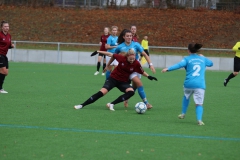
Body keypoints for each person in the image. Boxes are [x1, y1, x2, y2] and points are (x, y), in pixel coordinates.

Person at [74, 49, 157, 111]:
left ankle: (111, 104)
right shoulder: (121, 58)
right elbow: (112, 55)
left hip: (123, 82)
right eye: (130, 59)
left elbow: (141, 71)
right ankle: (82, 105)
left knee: (131, 92)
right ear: (127, 56)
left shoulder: (136, 63)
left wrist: (149, 76)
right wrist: (98, 51)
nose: (132, 61)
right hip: (113, 79)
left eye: (133, 59)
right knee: (102, 93)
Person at [161, 43, 213, 126]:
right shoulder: (202, 59)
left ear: (188, 50)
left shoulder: (187, 59)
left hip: (188, 84)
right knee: (199, 103)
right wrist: (203, 57)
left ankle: (183, 114)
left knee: (186, 96)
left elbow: (178, 65)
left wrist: (168, 69)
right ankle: (199, 120)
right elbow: (211, 64)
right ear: (196, 50)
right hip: (200, 85)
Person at [0, 21, 14, 94]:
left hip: (4, 55)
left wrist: (11, 46)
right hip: (0, 55)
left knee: (6, 73)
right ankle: (0, 88)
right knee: (3, 71)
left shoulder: (9, 36)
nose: (7, 28)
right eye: (5, 26)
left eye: (7, 26)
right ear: (2, 27)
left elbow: (7, 46)